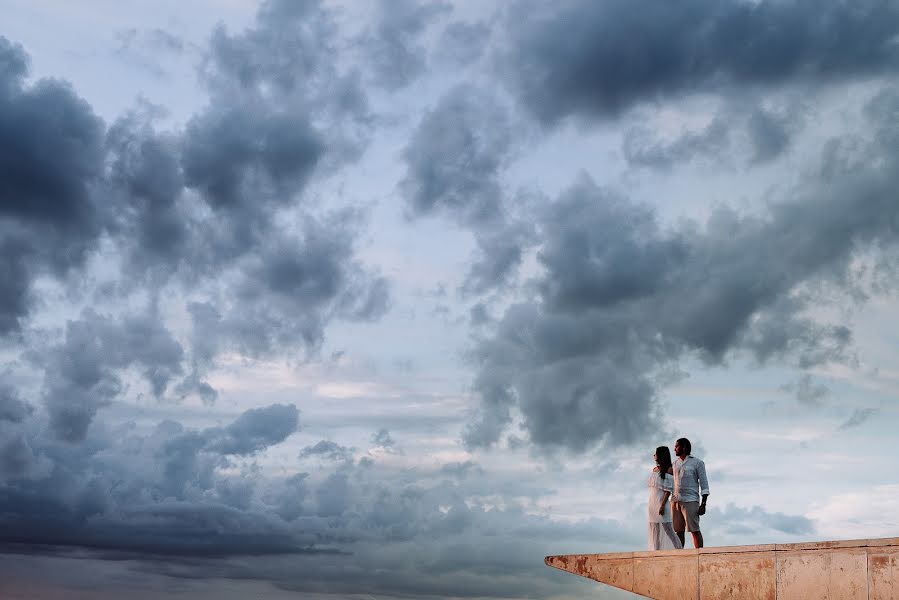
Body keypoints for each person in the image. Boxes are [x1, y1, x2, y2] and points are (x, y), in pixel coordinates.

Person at [672, 437, 709, 548]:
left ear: (683, 447)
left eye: (676, 446)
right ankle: (679, 555)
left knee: (694, 530)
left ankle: (699, 555)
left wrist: (703, 504)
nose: (674, 449)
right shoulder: (674, 464)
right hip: (675, 500)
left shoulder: (697, 463)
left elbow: (704, 484)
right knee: (678, 531)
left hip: (691, 500)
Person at [647, 446, 683, 550]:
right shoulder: (654, 470)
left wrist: (662, 505)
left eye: (656, 453)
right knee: (655, 530)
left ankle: (679, 549)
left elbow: (668, 490)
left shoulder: (669, 469)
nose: (654, 455)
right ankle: (656, 552)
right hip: (652, 503)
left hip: (661, 502)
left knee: (668, 529)